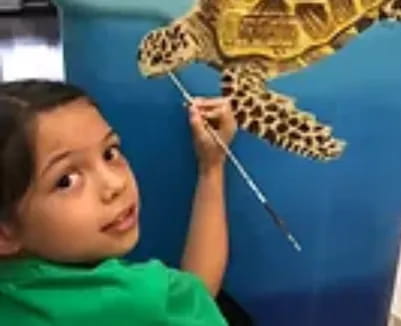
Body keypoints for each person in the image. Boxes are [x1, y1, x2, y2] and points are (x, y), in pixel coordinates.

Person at [0, 79, 236, 325]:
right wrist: (212, 167)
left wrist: (211, 166)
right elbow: (192, 300)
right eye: (66, 180)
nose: (114, 185)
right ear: (4, 231)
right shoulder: (139, 298)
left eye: (109, 153)